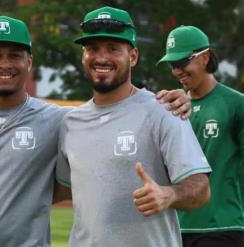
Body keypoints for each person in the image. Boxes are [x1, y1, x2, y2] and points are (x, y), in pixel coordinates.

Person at [0, 15, 191, 246]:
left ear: (29, 62)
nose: (4, 64)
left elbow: (110, 113)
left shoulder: (62, 120)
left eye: (15, 55)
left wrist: (182, 97)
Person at [56, 6, 212, 247]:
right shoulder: (70, 122)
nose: (102, 57)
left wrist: (168, 195)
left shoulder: (163, 111)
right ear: (83, 55)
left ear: (133, 56)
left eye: (113, 49)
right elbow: (64, 190)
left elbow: (201, 189)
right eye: (93, 48)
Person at [157, 25, 244, 247]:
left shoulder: (238, 104)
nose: (177, 71)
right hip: (173, 231)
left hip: (222, 229)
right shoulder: (171, 109)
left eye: (182, 62)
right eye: (172, 65)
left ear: (205, 57)